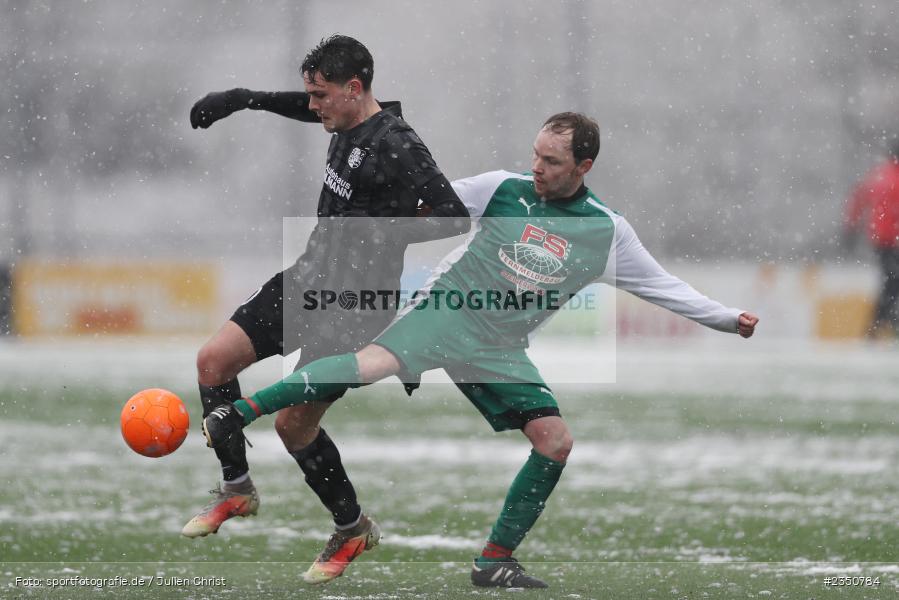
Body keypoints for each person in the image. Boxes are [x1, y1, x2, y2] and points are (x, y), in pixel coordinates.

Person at [202, 112, 760, 589]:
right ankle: (243, 410)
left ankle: (495, 562)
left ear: (584, 167)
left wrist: (728, 319)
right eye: (536, 156)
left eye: (553, 162)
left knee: (555, 442)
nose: (537, 168)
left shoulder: (606, 232)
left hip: (499, 345)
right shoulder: (502, 188)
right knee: (372, 363)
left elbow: (664, 288)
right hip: (446, 308)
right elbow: (432, 204)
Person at [183, 34, 470, 585]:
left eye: (320, 96)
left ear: (354, 89)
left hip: (355, 306)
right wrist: (245, 97)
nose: (311, 106)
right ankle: (237, 489)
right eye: (310, 95)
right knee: (213, 362)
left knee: (294, 425)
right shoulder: (344, 118)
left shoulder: (398, 143)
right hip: (309, 277)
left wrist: (385, 229)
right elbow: (303, 106)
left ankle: (352, 527)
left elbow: (454, 216)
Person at [844, 139, 899, 338]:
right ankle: (881, 324)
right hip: (893, 239)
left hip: (881, 239)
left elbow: (858, 199)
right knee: (893, 282)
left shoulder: (879, 175)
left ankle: (881, 324)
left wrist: (851, 227)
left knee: (891, 281)